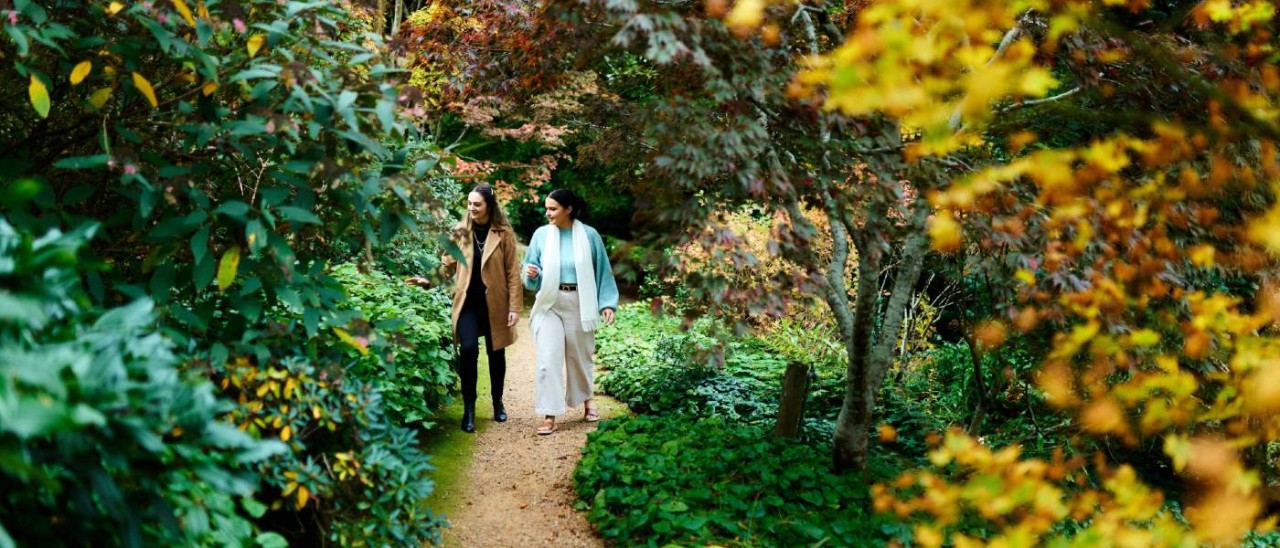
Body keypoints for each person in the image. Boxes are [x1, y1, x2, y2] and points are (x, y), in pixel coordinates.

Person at [407, 184, 521, 433]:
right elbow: (446, 265)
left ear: (489, 206)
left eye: (476, 204)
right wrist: (429, 280)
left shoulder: (504, 233)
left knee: (496, 354)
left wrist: (514, 307)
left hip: (496, 304)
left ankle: (497, 402)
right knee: (468, 351)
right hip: (468, 303)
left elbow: (513, 272)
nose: (471, 208)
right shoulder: (460, 232)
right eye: (469, 204)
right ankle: (469, 407)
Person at [522, 188, 619, 435]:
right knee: (547, 359)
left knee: (580, 356)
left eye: (553, 208)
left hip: (579, 302)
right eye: (547, 208)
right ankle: (549, 413)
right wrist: (531, 275)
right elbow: (530, 273)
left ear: (569, 209)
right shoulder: (541, 235)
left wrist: (606, 303)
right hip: (550, 302)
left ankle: (588, 401)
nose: (548, 213)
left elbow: (602, 271)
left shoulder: (590, 235)